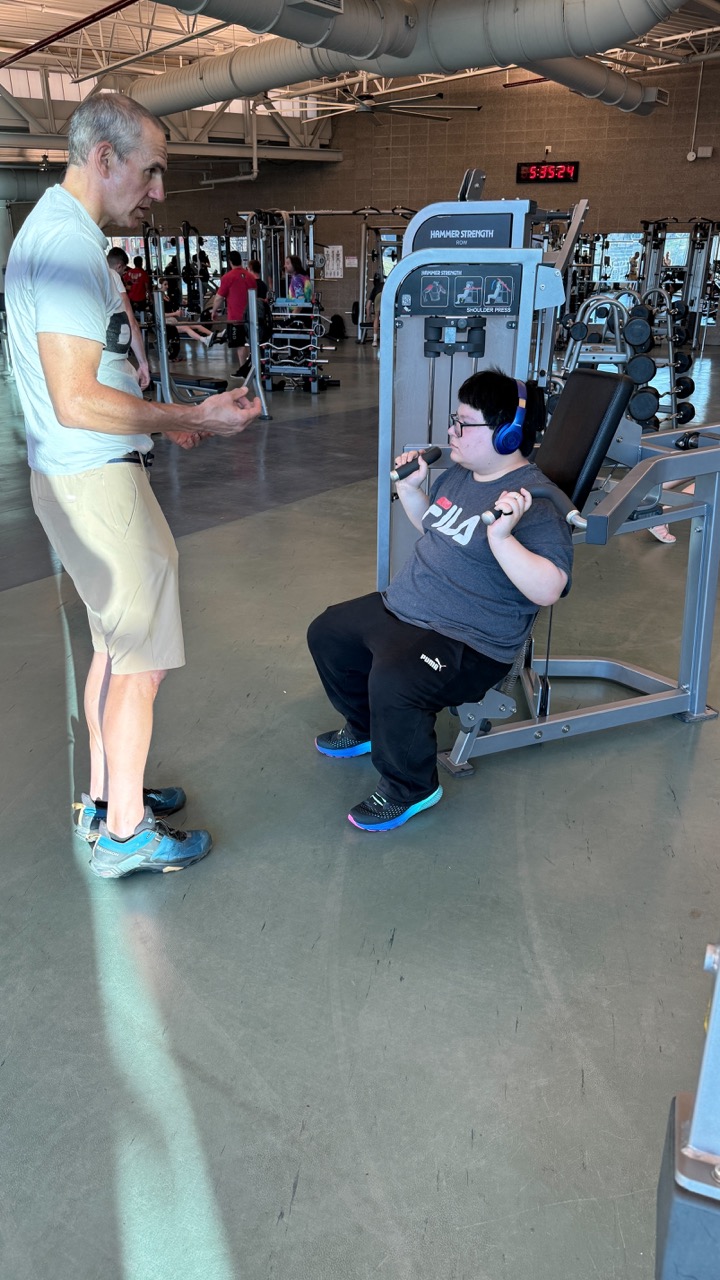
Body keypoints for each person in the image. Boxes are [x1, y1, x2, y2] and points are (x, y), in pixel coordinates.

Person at [5, 91, 261, 878]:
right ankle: (125, 835)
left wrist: (159, 424)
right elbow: (76, 398)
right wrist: (196, 415)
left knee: (115, 652)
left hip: (85, 474)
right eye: (150, 171)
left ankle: (107, 795)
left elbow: (92, 382)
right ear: (104, 157)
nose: (158, 190)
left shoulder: (61, 233)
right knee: (140, 664)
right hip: (96, 486)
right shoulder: (65, 245)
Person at [307, 369, 574, 832]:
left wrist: (502, 537)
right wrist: (411, 490)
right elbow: (438, 527)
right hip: (406, 607)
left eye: (463, 424)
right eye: (455, 420)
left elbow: (549, 589)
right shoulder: (460, 475)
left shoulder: (536, 504)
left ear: (507, 434)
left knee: (394, 680)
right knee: (328, 633)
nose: (451, 431)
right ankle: (366, 727)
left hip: (469, 642)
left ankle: (411, 787)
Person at [107, 246, 150, 389]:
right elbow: (131, 323)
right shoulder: (113, 275)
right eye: (123, 269)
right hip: (109, 361)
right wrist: (143, 363)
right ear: (119, 266)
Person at [211, 250, 256, 378]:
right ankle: (250, 368)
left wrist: (214, 311)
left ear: (230, 262)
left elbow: (219, 298)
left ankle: (243, 371)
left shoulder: (228, 277)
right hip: (251, 316)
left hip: (236, 319)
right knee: (250, 343)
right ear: (240, 260)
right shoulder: (250, 276)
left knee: (240, 345)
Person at [365, 272, 384, 346]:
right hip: (386, 294)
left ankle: (375, 341)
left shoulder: (375, 288)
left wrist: (368, 317)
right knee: (390, 317)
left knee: (376, 317)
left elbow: (368, 306)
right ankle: (392, 339)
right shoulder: (387, 284)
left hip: (378, 296)